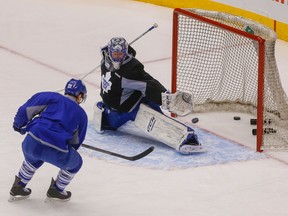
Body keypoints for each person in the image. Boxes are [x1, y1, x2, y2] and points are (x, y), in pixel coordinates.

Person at [95, 37, 203, 154]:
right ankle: (110, 113)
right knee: (109, 124)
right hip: (114, 112)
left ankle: (188, 137)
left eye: (120, 54)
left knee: (157, 123)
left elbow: (150, 84)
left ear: (125, 53)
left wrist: (167, 98)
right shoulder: (105, 59)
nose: (117, 57)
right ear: (109, 52)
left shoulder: (131, 70)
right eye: (114, 54)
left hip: (133, 108)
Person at [9, 79, 88, 202]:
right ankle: (56, 190)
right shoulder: (81, 114)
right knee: (76, 163)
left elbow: (25, 110)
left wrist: (18, 124)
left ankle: (19, 186)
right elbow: (75, 143)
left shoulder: (49, 96)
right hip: (55, 151)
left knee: (33, 157)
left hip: (31, 142)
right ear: (80, 95)